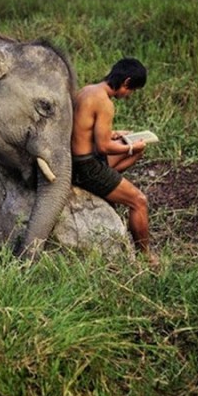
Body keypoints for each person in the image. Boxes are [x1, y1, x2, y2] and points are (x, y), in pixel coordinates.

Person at [71, 58, 156, 263]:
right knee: (139, 201)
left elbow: (84, 130)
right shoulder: (105, 103)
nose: (129, 96)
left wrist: (115, 134)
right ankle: (146, 257)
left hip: (77, 158)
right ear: (126, 82)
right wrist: (130, 145)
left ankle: (110, 188)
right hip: (87, 166)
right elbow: (104, 147)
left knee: (136, 153)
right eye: (132, 91)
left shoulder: (88, 91)